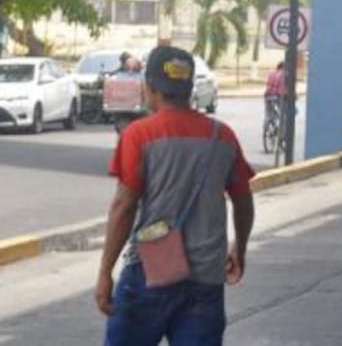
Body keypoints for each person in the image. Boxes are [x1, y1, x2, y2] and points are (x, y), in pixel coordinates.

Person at [96, 46, 256, 345]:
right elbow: (243, 201)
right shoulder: (222, 136)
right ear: (188, 86)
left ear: (150, 86)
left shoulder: (138, 135)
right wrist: (240, 249)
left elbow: (124, 206)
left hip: (149, 272)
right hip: (206, 277)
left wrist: (105, 271)